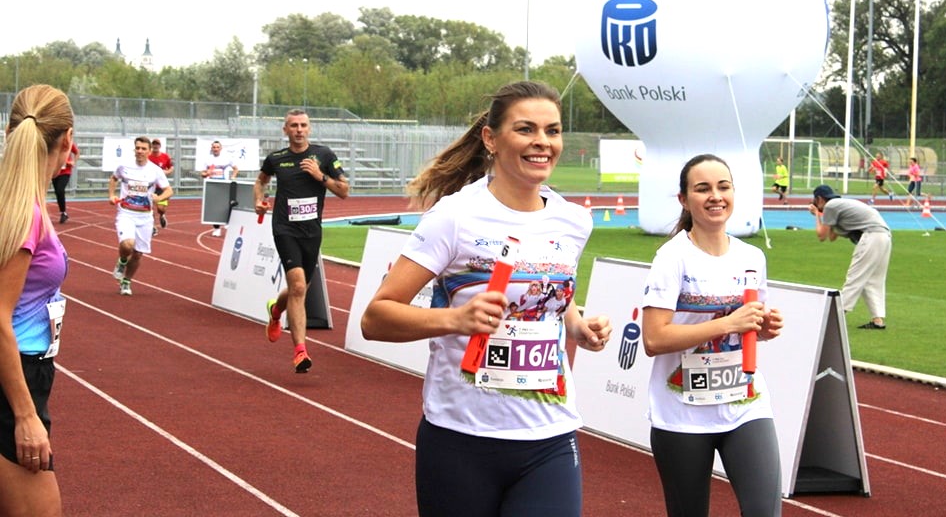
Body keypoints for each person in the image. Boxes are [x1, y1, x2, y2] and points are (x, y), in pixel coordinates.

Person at [360, 81, 613, 517]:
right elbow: (376, 318)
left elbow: (550, 292)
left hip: (549, 436)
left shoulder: (573, 221)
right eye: (526, 129)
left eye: (552, 131)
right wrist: (456, 320)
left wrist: (576, 324)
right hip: (462, 440)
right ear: (491, 139)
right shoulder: (453, 218)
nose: (542, 143)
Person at [641, 153, 785, 517]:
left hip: (745, 403)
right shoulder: (671, 258)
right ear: (684, 200)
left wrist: (765, 328)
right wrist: (728, 323)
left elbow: (748, 325)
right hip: (682, 413)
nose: (715, 196)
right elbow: (654, 340)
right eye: (702, 189)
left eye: (723, 187)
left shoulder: (752, 256)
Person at [0, 84, 75, 517]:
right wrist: (25, 416)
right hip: (16, 380)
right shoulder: (23, 213)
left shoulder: (21, 203)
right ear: (67, 139)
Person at [254, 109, 349, 373]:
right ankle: (300, 351)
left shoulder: (324, 155)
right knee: (297, 285)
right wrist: (259, 201)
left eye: (303, 125)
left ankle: (276, 310)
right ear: (285, 130)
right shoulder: (276, 158)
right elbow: (260, 182)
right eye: (293, 125)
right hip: (285, 229)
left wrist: (320, 176)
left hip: (311, 232)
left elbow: (344, 191)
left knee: (299, 289)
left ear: (309, 129)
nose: (298, 130)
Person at [809, 184, 891, 329]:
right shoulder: (839, 205)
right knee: (873, 280)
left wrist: (817, 215)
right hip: (884, 236)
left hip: (871, 236)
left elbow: (822, 236)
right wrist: (823, 216)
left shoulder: (831, 206)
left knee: (855, 277)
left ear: (819, 199)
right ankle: (878, 320)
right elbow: (832, 236)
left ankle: (836, 317)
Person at [108, 136, 173, 296]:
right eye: (137, 148)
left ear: (149, 151)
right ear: (134, 149)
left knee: (137, 254)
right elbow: (114, 178)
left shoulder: (155, 170)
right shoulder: (124, 166)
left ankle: (126, 281)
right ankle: (122, 262)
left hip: (145, 217)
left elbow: (169, 190)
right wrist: (111, 195)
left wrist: (159, 198)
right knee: (127, 245)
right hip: (126, 213)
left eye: (144, 149)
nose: (140, 151)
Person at [200, 140, 237, 237]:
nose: (216, 149)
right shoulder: (207, 160)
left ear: (221, 148)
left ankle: (228, 222)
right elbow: (202, 173)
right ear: (211, 149)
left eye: (217, 147)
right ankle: (216, 228)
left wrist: (233, 177)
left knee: (226, 204)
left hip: (223, 184)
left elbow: (236, 168)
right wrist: (207, 173)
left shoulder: (226, 158)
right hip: (212, 185)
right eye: (214, 147)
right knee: (214, 206)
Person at [148, 138, 174, 235]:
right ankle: (153, 227)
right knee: (149, 208)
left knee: (160, 208)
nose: (155, 146)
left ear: (160, 146)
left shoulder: (165, 157)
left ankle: (162, 215)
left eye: (157, 144)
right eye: (153, 144)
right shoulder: (148, 157)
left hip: (161, 187)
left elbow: (171, 167)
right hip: (150, 186)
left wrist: (167, 172)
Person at [50, 140, 79, 224]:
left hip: (65, 172)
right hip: (55, 171)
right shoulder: (53, 143)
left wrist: (73, 162)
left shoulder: (68, 143)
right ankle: (63, 212)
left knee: (60, 190)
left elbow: (77, 153)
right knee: (58, 193)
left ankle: (63, 212)